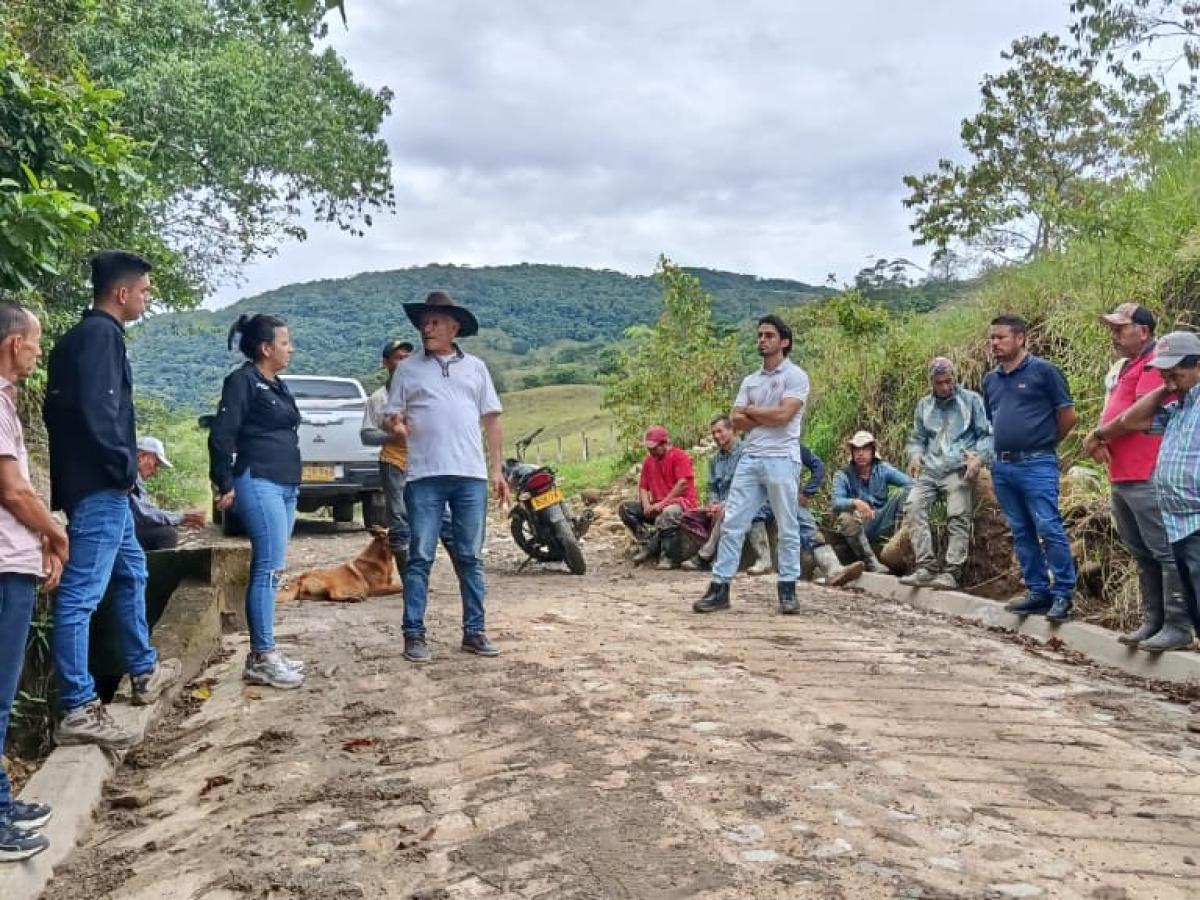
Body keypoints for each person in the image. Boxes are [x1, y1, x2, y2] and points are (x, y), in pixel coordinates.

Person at [44, 251, 180, 750]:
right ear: (121, 293)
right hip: (101, 484)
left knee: (131, 573)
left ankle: (143, 670)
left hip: (101, 483)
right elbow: (102, 415)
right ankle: (79, 705)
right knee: (81, 593)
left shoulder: (82, 338)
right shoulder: (100, 337)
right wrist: (124, 471)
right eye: (144, 290)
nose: (147, 297)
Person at [384, 291, 511, 663]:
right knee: (421, 556)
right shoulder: (407, 369)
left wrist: (496, 468)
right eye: (424, 322)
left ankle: (474, 631)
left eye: (435, 322)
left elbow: (492, 419)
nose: (427, 328)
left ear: (454, 327)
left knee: (471, 556)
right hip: (424, 475)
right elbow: (393, 415)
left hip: (470, 475)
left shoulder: (476, 368)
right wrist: (397, 424)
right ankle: (413, 635)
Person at [1081, 305, 1191, 651]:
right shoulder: (1127, 367)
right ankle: (1153, 621)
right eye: (1111, 329)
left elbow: (1138, 416)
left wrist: (1099, 433)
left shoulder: (1155, 363)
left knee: (1164, 551)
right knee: (1142, 552)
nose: (1113, 335)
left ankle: (1177, 624)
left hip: (1147, 472)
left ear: (1143, 331)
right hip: (1123, 473)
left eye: (1120, 328)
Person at [0, 302, 67, 862]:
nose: (38, 352)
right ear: (12, 343)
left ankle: (1, 799)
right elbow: (14, 491)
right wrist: (55, 535)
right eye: (35, 342)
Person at [209, 313, 305, 689]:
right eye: (285, 342)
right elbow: (221, 433)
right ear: (266, 348)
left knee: (275, 568)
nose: (290, 348)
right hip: (258, 479)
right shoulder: (242, 381)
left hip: (285, 484)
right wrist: (223, 481)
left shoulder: (276, 384)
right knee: (267, 567)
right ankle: (261, 656)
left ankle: (267, 651)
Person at [694, 315, 810, 615]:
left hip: (782, 458)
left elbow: (784, 416)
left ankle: (788, 587)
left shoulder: (796, 377)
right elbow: (735, 420)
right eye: (759, 335)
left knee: (787, 525)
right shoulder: (750, 380)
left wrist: (754, 412)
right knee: (732, 522)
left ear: (784, 341)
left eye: (769, 335)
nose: (762, 339)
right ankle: (720, 587)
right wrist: (764, 414)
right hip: (752, 458)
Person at [983, 315, 1078, 621]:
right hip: (1004, 466)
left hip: (1037, 462)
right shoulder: (991, 380)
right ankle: (1038, 591)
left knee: (1048, 526)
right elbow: (993, 418)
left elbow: (1067, 416)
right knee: (1021, 530)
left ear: (1021, 338)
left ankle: (1063, 593)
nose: (995, 343)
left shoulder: (1044, 371)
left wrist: (1045, 443)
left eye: (1002, 337)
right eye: (992, 338)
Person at [900, 357, 992, 590]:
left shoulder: (971, 401)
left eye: (949, 381)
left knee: (958, 512)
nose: (945, 387)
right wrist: (914, 455)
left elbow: (987, 435)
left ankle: (952, 571)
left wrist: (978, 458)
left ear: (955, 377)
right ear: (931, 382)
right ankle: (925, 567)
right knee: (913, 506)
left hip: (958, 468)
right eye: (939, 383)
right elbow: (917, 439)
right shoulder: (924, 406)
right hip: (930, 469)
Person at [681, 415, 769, 574]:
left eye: (720, 431)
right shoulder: (714, 460)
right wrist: (713, 503)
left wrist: (723, 504)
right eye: (713, 433)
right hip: (722, 504)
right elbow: (712, 486)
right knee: (691, 515)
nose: (716, 436)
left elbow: (750, 487)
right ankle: (715, 557)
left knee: (726, 511)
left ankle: (704, 556)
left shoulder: (747, 453)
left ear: (731, 430)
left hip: (747, 501)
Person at [361, 339, 414, 575]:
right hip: (393, 463)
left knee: (428, 516)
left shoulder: (422, 391)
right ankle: (408, 576)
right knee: (399, 517)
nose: (403, 362)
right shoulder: (378, 398)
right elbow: (366, 435)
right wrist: (391, 436)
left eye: (407, 357)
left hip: (424, 463)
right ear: (386, 363)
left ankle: (420, 571)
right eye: (397, 357)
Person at [619, 426, 699, 570]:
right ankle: (647, 542)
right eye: (649, 448)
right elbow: (643, 487)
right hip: (657, 506)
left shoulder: (679, 456)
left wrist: (662, 504)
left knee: (668, 513)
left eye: (654, 448)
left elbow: (683, 484)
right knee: (626, 509)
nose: (651, 451)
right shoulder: (648, 461)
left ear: (664, 443)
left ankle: (668, 557)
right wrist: (646, 505)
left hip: (681, 505)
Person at [832, 431, 912, 573]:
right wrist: (855, 502)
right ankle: (871, 562)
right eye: (856, 449)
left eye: (865, 449)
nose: (860, 453)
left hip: (880, 520)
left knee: (904, 493)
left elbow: (910, 484)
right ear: (852, 452)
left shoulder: (883, 469)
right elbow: (836, 502)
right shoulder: (843, 475)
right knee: (845, 517)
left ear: (873, 451)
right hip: (858, 524)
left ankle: (898, 547)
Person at [795, 444, 865, 587]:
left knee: (811, 531)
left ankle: (833, 569)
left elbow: (818, 467)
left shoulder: (792, 444)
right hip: (759, 498)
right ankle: (762, 560)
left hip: (788, 497)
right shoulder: (755, 443)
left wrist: (807, 492)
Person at [131, 436, 206, 551]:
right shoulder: (131, 476)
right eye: (155, 464)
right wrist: (181, 517)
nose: (155, 471)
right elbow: (145, 514)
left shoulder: (135, 477)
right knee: (167, 534)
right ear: (142, 457)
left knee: (166, 530)